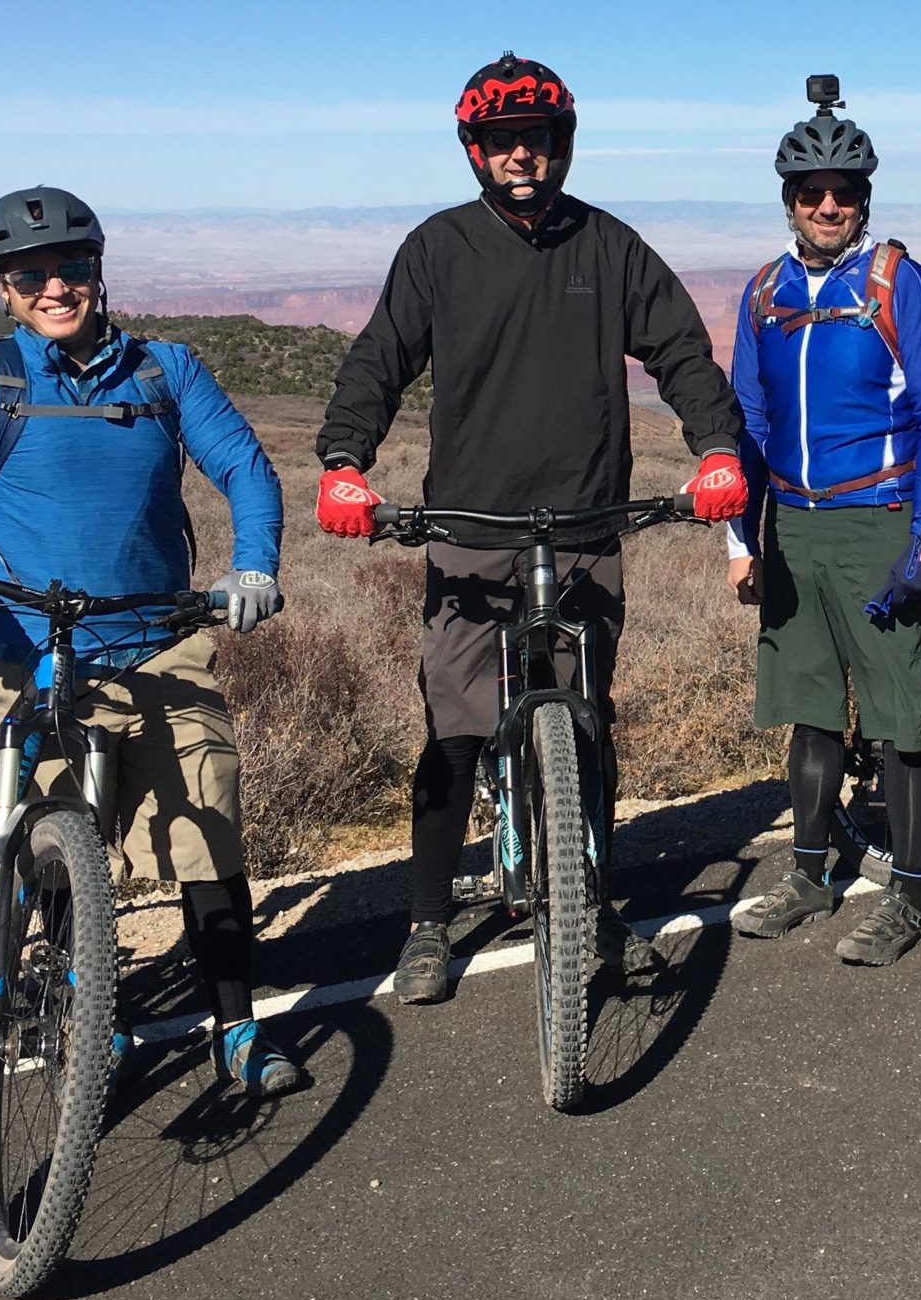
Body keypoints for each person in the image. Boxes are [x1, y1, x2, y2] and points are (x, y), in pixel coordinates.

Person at [0, 186, 302, 1096]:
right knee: (45, 832)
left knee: (210, 830)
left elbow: (242, 464)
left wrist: (253, 565)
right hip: (28, 643)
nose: (55, 287)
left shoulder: (166, 372)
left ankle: (235, 1027)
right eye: (30, 275)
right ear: (3, 289)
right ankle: (91, 1007)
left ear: (98, 271)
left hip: (159, 637)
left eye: (71, 268)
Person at [313, 54, 748, 1004]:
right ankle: (428, 922)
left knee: (586, 724)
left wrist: (717, 447)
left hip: (587, 521)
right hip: (473, 524)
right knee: (457, 727)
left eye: (538, 139)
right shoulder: (440, 250)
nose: (523, 156)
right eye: (504, 141)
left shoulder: (610, 246)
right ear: (476, 150)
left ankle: (592, 901)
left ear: (563, 146)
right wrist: (344, 462)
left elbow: (680, 347)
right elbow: (380, 357)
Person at [723, 80, 921, 966]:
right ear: (788, 200)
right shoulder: (762, 290)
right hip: (792, 524)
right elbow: (748, 419)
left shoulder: (900, 283)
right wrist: (741, 535)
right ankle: (811, 871)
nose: (828, 205)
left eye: (845, 191)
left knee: (906, 716)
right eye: (810, 192)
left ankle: (908, 894)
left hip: (879, 522)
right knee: (812, 713)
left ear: (865, 195)